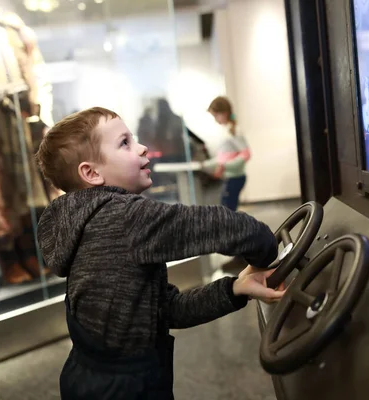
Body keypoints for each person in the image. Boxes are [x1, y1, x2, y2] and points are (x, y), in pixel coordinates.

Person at [34, 107, 284, 399]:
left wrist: (235, 289)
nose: (142, 147)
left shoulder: (86, 223)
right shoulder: (124, 217)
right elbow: (221, 226)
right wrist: (267, 251)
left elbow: (166, 310)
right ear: (91, 173)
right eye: (124, 143)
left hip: (88, 381)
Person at [203, 96, 251, 211]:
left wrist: (224, 166)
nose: (215, 120)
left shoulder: (234, 130)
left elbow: (246, 154)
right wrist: (204, 164)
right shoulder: (227, 130)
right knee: (227, 211)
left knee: (228, 212)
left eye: (215, 116)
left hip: (235, 177)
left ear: (224, 113)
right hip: (229, 177)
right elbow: (224, 157)